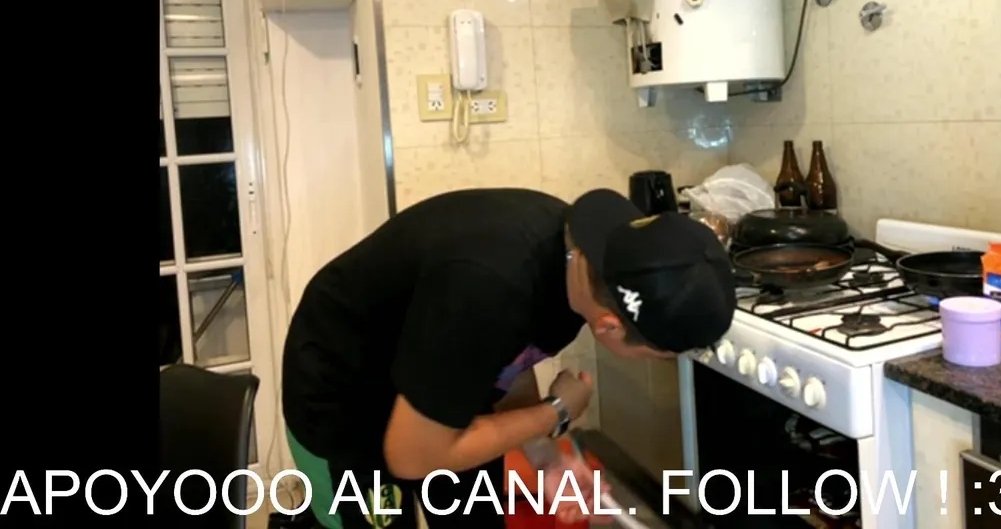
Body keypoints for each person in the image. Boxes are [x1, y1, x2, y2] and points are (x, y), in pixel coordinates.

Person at [280, 187, 735, 528]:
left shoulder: (588, 263)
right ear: (610, 328)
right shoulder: (490, 286)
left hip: (444, 380)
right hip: (345, 393)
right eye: (657, 356)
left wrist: (547, 459)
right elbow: (413, 457)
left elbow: (507, 357)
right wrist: (554, 413)